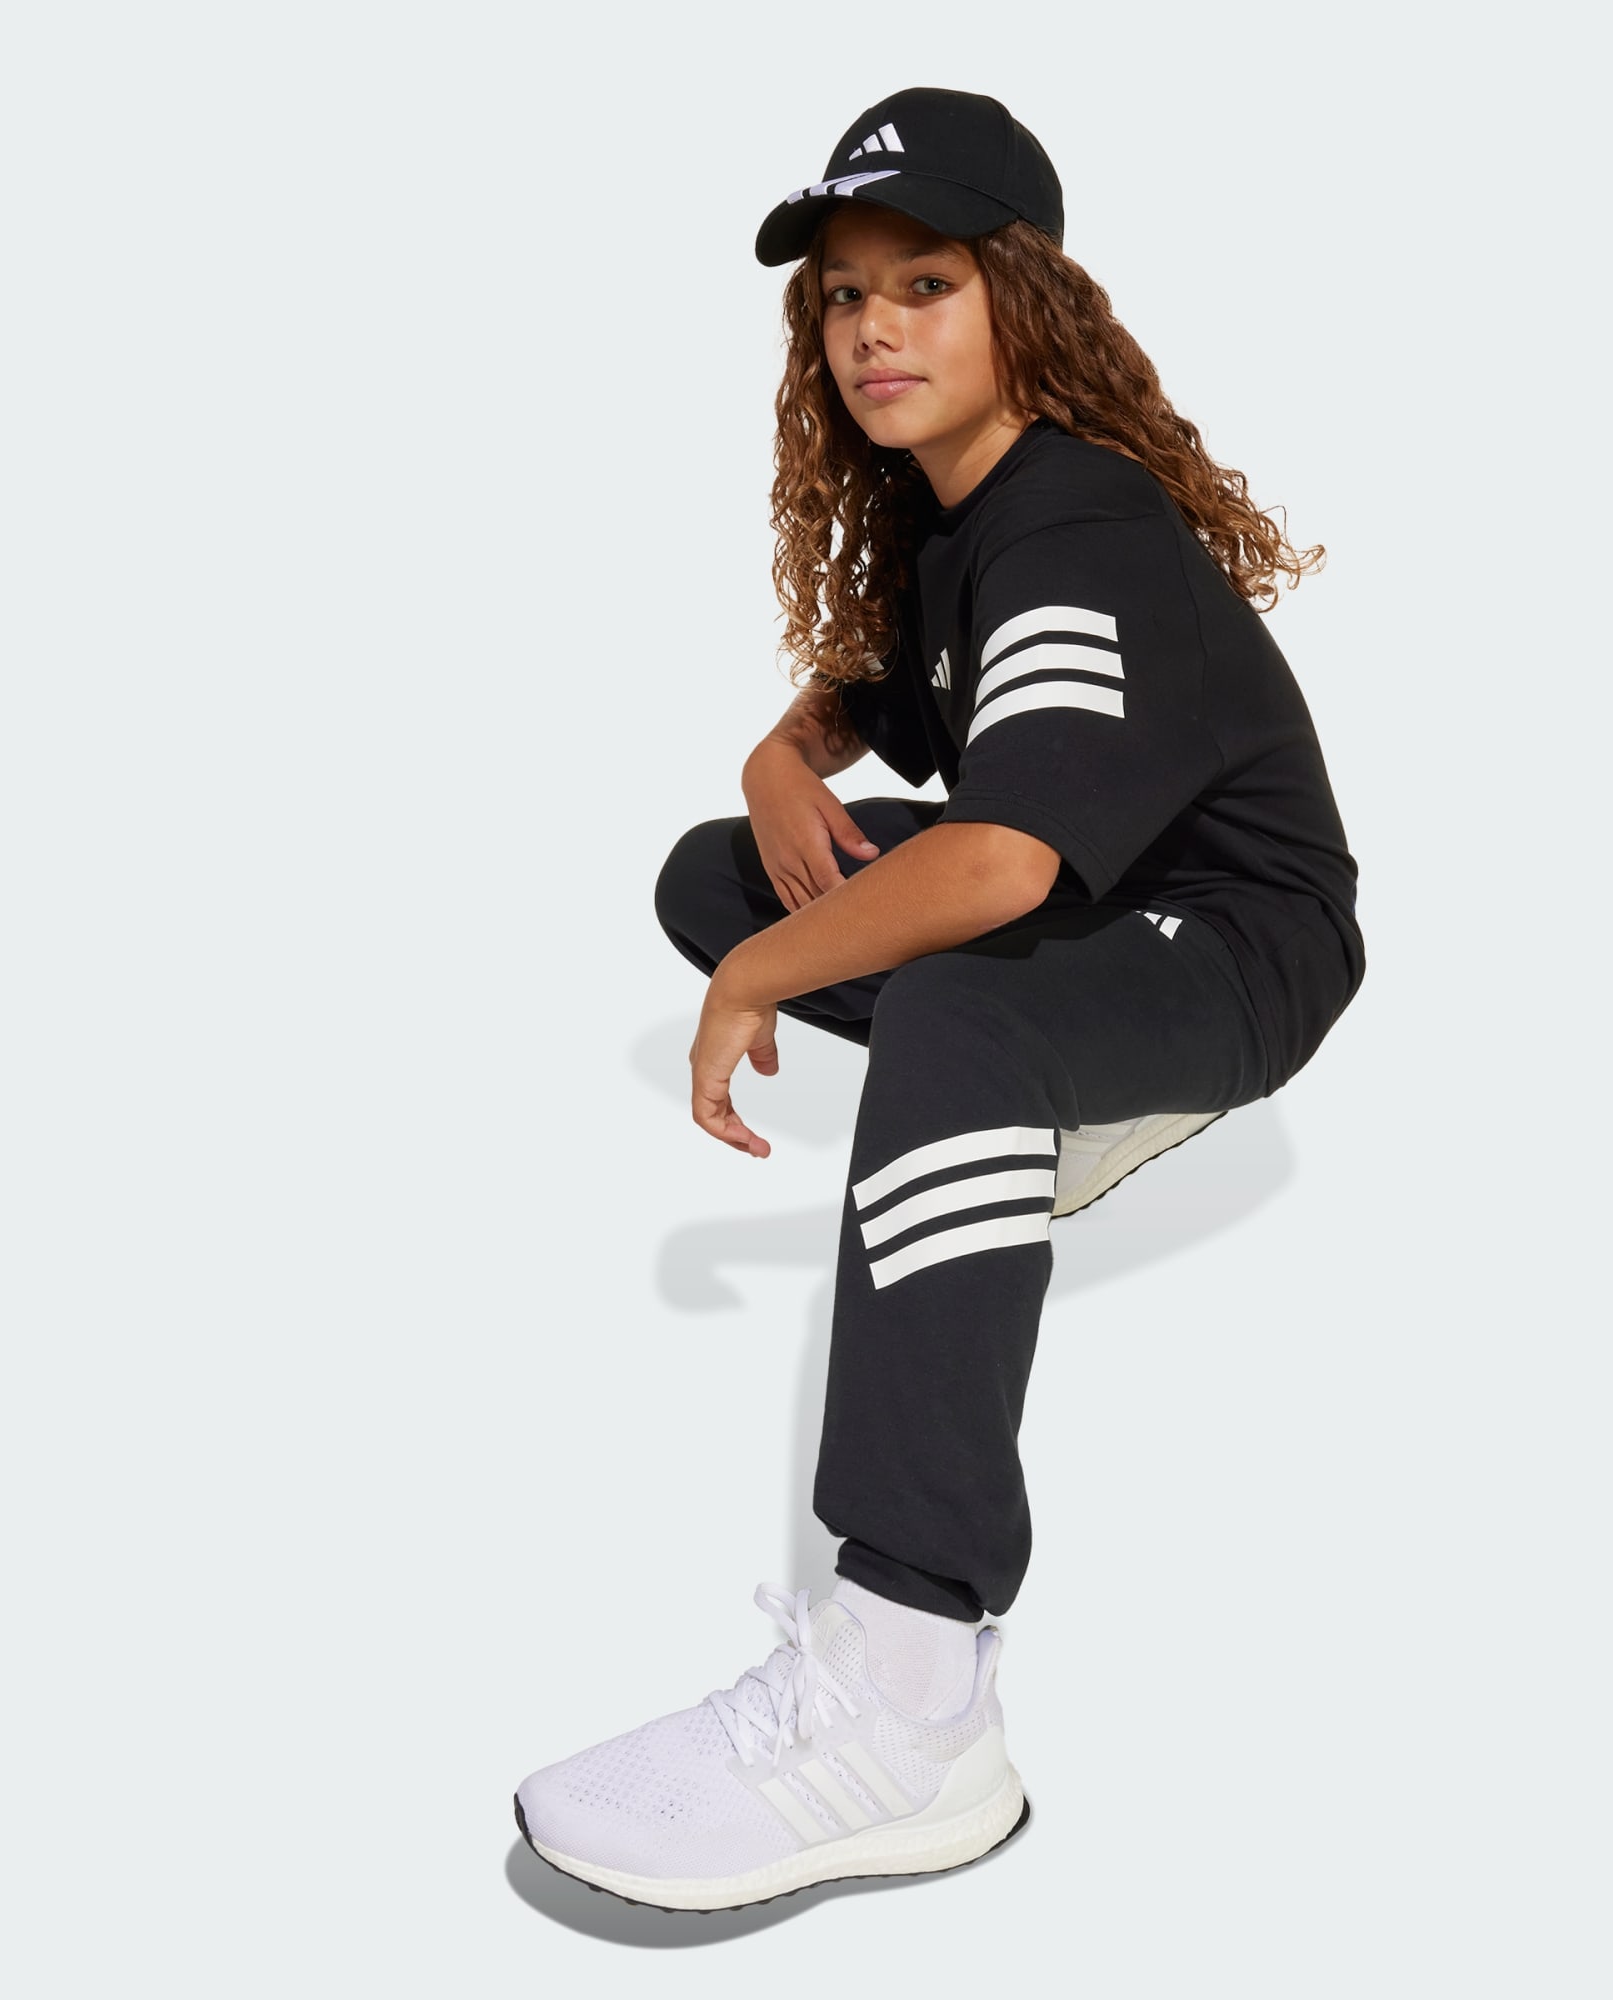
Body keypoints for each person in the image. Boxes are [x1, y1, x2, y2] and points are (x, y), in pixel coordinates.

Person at [513, 86, 1365, 1915]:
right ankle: (1014, 1100)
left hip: (1235, 941)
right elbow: (882, 695)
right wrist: (779, 757)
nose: (872, 329)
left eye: (924, 285)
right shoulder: (958, 517)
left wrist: (764, 982)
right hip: (1102, 895)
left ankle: (911, 1695)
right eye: (842, 294)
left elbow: (995, 871)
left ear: (1023, 302)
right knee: (719, 875)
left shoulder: (1076, 524)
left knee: (953, 1013)